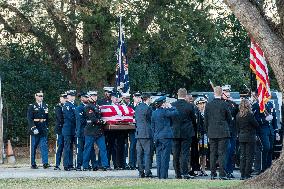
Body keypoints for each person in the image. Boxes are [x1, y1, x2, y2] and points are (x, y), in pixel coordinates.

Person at [204, 86, 232, 180]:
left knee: (212, 153)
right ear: (221, 93)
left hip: (212, 132)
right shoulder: (224, 104)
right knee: (222, 154)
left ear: (214, 93)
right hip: (223, 132)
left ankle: (212, 173)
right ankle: (222, 174)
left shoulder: (208, 105)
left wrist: (207, 131)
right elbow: (229, 118)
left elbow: (206, 120)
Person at [171, 88, 197, 179]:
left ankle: (177, 173)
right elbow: (193, 120)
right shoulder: (189, 106)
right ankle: (185, 173)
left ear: (177, 94)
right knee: (185, 153)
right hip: (187, 132)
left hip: (175, 132)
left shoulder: (172, 105)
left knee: (176, 154)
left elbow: (170, 119)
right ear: (185, 95)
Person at [151, 96, 178, 179]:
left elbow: (152, 127)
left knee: (159, 157)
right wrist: (171, 106)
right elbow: (176, 113)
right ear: (163, 103)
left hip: (157, 137)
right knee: (165, 157)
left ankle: (159, 175)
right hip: (166, 137)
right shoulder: (165, 111)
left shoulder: (154, 113)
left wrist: (155, 137)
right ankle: (164, 176)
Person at [82, 91, 109, 171]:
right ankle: (85, 165)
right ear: (89, 97)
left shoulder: (97, 106)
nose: (95, 97)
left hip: (99, 131)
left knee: (103, 148)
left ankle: (105, 165)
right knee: (88, 149)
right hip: (90, 131)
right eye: (93, 96)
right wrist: (101, 121)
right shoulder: (88, 107)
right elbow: (93, 119)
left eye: (95, 96)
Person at [252, 99, 278, 173]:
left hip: (270, 130)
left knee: (270, 149)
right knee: (266, 147)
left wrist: (276, 131)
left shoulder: (270, 104)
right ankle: (262, 168)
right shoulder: (256, 105)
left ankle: (268, 168)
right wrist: (264, 119)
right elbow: (255, 119)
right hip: (262, 129)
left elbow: (274, 118)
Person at [236, 99, 259, 180]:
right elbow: (256, 125)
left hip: (241, 137)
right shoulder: (249, 114)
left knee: (243, 156)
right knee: (249, 156)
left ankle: (242, 174)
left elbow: (237, 127)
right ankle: (247, 174)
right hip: (250, 137)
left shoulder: (238, 115)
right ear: (248, 105)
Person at [27, 91, 50, 169]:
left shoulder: (45, 106)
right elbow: (29, 119)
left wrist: (47, 126)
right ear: (35, 97)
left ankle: (45, 163)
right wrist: (33, 128)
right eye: (39, 96)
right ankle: (33, 163)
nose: (41, 97)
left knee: (44, 146)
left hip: (43, 128)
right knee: (33, 146)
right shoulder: (32, 106)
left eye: (42, 96)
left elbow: (47, 118)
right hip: (35, 128)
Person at [222, 85, 239, 178]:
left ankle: (230, 171)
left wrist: (233, 103)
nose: (228, 93)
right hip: (224, 131)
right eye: (226, 91)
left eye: (228, 91)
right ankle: (224, 170)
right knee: (226, 151)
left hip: (232, 131)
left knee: (231, 151)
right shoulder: (220, 103)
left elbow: (237, 112)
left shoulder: (232, 104)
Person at [135, 93, 153, 178]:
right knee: (147, 153)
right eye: (150, 99)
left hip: (139, 133)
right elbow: (150, 120)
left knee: (139, 154)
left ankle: (141, 172)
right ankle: (147, 171)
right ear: (147, 99)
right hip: (146, 133)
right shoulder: (148, 108)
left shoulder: (137, 107)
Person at [62, 90, 77, 171]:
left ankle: (70, 164)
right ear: (67, 96)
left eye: (73, 95)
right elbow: (70, 117)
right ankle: (66, 164)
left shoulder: (74, 105)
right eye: (71, 95)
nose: (72, 97)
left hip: (73, 129)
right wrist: (78, 121)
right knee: (67, 147)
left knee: (71, 148)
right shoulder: (66, 105)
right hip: (68, 129)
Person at [194, 96, 209, 176]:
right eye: (200, 104)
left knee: (204, 153)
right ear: (197, 105)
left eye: (203, 103)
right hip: (198, 135)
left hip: (205, 135)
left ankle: (203, 168)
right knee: (197, 153)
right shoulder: (196, 113)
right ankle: (197, 169)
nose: (202, 105)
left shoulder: (207, 113)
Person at [75, 92, 89, 171]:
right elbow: (81, 120)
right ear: (82, 98)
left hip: (88, 132)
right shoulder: (79, 108)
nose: (87, 99)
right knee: (79, 150)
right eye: (85, 97)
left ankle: (85, 165)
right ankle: (78, 165)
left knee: (87, 149)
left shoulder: (89, 107)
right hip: (80, 131)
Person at [54, 93, 67, 170]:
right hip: (60, 129)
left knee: (66, 146)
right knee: (59, 146)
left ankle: (66, 164)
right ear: (60, 98)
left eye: (66, 98)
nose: (65, 99)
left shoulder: (66, 106)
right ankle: (57, 164)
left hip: (66, 129)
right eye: (63, 98)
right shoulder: (58, 107)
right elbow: (60, 118)